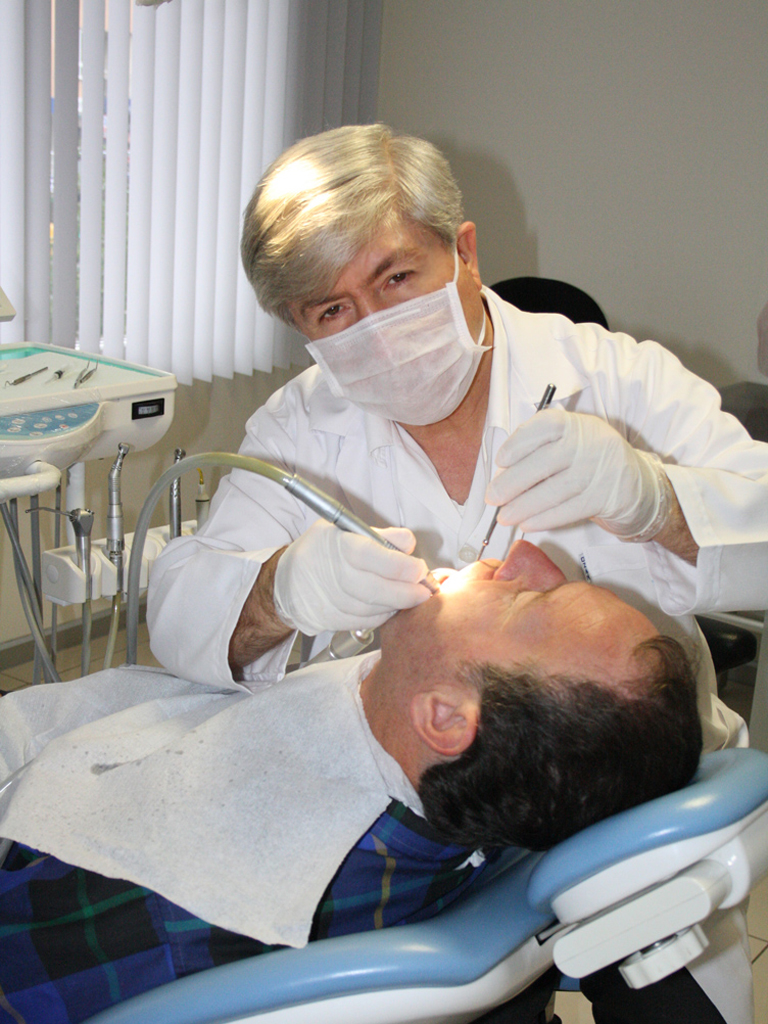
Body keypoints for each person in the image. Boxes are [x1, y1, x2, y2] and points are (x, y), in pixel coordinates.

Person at [146, 123, 767, 1021]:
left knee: (673, 1000)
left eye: (397, 278)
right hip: (435, 822)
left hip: (629, 792)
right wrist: (280, 591)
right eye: (332, 311)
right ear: (298, 326)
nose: (376, 327)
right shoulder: (297, 432)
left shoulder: (610, 377)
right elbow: (182, 618)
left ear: (465, 252)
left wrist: (654, 501)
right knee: (468, 996)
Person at [0, 543, 703, 1024]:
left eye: (525, 599)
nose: (525, 555)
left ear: (444, 718)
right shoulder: (502, 777)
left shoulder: (189, 908)